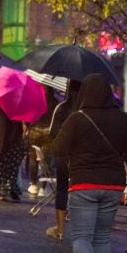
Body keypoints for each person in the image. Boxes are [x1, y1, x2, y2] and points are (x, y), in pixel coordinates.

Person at [52, 73, 127, 253]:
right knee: (102, 238)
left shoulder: (76, 118)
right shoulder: (123, 119)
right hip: (113, 184)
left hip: (83, 183)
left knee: (81, 238)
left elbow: (58, 149)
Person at [45, 79, 81, 240]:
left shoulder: (61, 108)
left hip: (63, 157)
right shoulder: (85, 111)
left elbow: (52, 132)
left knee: (62, 188)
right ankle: (81, 229)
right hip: (81, 158)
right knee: (80, 191)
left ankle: (60, 229)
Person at [0, 101, 25, 202]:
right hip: (13, 141)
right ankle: (12, 190)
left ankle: (3, 191)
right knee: (12, 168)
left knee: (0, 168)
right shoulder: (17, 106)